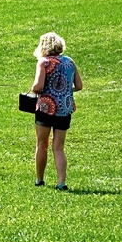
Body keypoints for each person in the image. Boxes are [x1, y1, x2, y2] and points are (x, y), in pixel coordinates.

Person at [30, 31, 82, 190]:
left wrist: (33, 88)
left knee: (42, 144)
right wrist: (64, 91)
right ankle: (61, 182)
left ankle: (40, 179)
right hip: (64, 108)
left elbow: (38, 87)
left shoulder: (43, 62)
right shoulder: (69, 62)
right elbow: (79, 86)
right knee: (58, 147)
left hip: (46, 108)